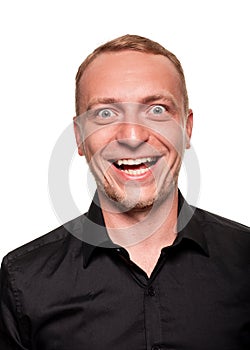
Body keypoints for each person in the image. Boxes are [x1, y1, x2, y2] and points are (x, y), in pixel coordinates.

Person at [0, 34, 249, 350]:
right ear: (79, 137)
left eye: (157, 110)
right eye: (105, 113)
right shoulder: (24, 279)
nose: (132, 136)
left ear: (186, 128)